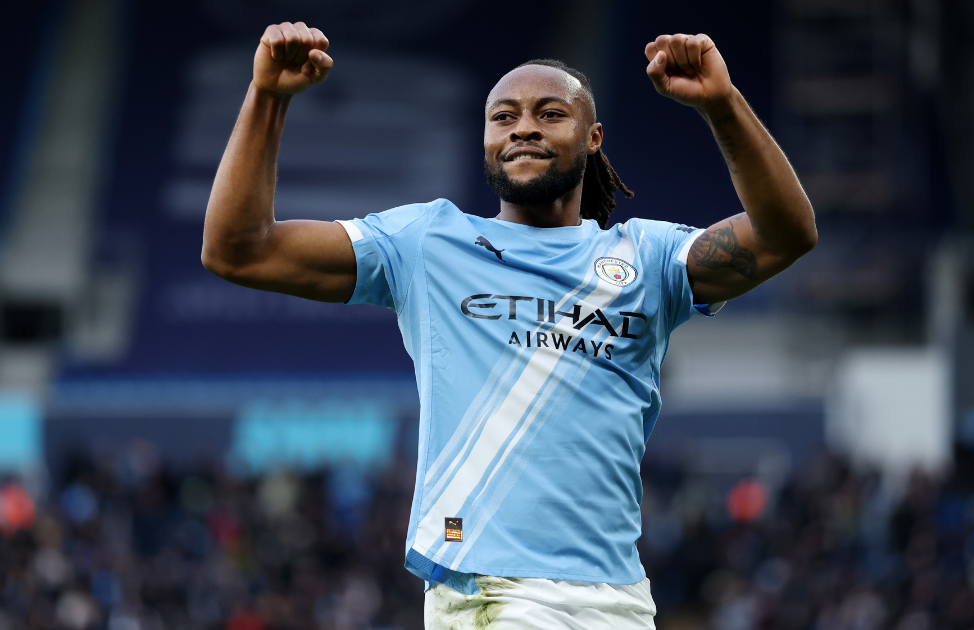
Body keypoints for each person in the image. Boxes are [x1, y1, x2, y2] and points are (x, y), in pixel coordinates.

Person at [201, 21, 817, 630]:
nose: (523, 127)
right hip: (493, 595)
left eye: (550, 113)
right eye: (503, 116)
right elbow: (238, 249)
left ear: (594, 137)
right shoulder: (427, 242)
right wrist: (268, 98)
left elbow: (785, 235)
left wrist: (722, 105)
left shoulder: (648, 260)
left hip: (619, 598)